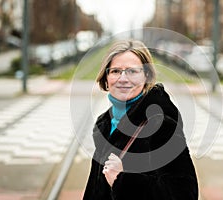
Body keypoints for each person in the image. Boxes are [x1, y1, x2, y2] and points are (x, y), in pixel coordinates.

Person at [83, 39, 199, 200]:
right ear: (106, 77)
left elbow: (185, 193)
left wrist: (123, 180)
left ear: (146, 75)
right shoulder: (105, 123)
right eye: (116, 71)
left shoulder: (161, 123)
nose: (123, 79)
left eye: (132, 71)